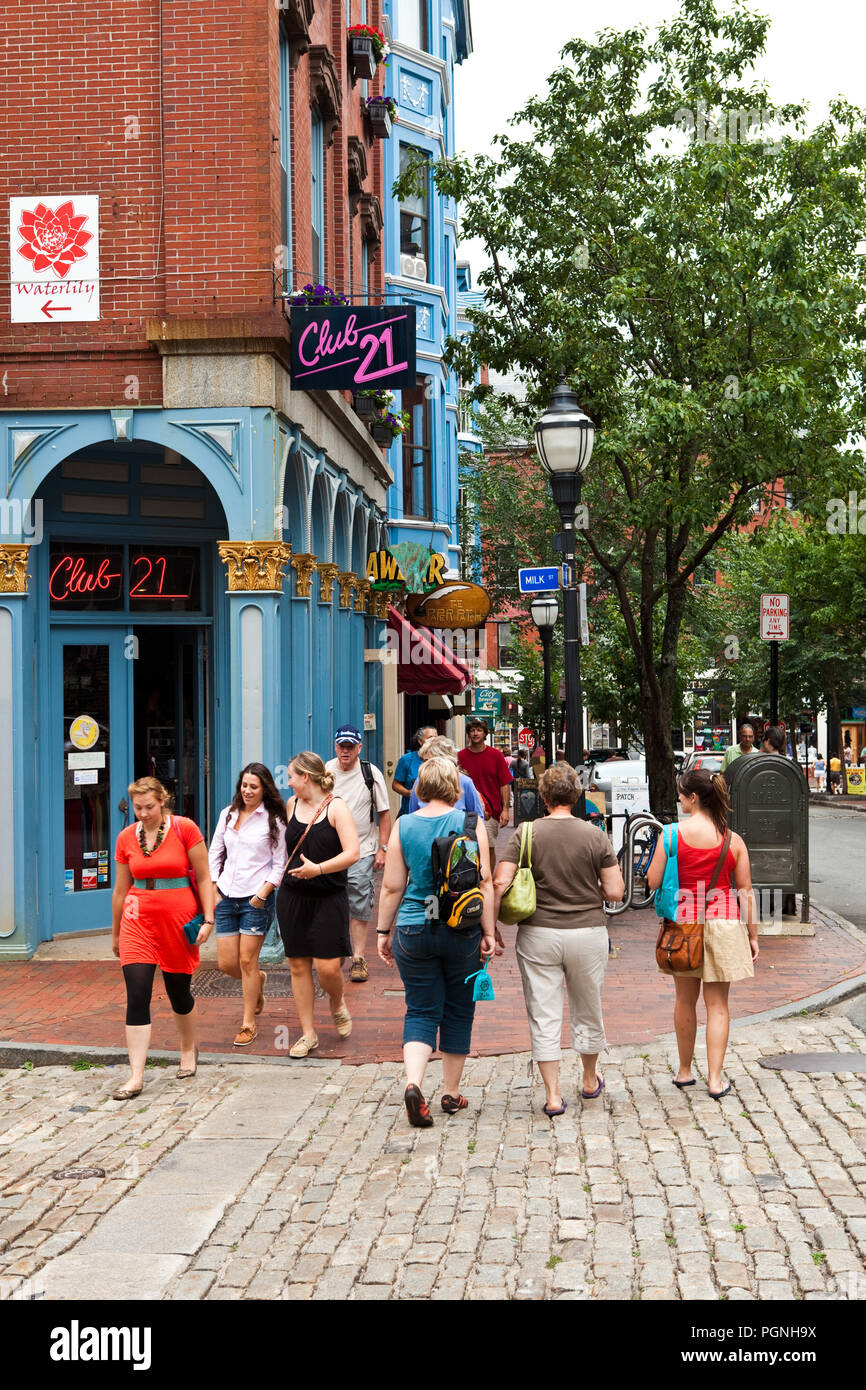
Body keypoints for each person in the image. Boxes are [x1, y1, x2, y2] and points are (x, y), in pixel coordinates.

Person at [492, 763, 624, 1116]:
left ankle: (552, 1095)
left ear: (544, 797)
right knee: (588, 1007)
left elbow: (499, 883)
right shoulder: (595, 835)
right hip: (587, 933)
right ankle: (589, 1079)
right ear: (577, 795)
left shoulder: (526, 833)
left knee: (544, 1014)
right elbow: (615, 891)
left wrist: (490, 929)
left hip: (538, 934)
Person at [377, 757, 496, 1127]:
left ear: (420, 787)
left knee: (420, 1009)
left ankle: (414, 1084)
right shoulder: (470, 824)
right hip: (461, 928)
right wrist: (489, 933)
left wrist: (383, 932)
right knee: (459, 1010)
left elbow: (393, 885)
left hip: (413, 928)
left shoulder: (403, 825)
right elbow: (485, 881)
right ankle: (450, 1092)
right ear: (455, 786)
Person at [647, 768, 759, 1100]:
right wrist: (753, 936)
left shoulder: (669, 835)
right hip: (724, 924)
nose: (679, 798)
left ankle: (684, 1071)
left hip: (684, 926)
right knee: (718, 1005)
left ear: (693, 798)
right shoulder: (732, 840)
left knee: (684, 1000)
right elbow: (746, 892)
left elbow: (652, 883)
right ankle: (714, 1079)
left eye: (681, 794)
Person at [111, 776, 215, 1100]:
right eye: (138, 808)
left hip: (177, 921)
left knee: (178, 992)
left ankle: (187, 1050)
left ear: (162, 801)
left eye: (149, 807)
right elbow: (120, 888)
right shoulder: (127, 837)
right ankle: (136, 1076)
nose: (143, 813)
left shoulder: (185, 829)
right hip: (137, 919)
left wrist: (209, 919)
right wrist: (115, 933)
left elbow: (203, 876)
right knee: (137, 992)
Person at [276, 752, 360, 1057]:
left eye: (291, 776)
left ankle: (337, 1001)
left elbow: (353, 852)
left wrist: (319, 869)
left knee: (327, 968)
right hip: (293, 896)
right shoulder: (291, 805)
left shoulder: (336, 807)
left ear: (306, 778)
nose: (288, 782)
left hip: (328, 894)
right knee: (298, 965)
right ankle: (308, 1033)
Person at [209, 763, 288, 1047]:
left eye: (254, 786)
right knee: (227, 963)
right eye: (244, 785)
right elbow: (215, 851)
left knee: (246, 961)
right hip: (227, 896)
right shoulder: (228, 815)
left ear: (265, 789)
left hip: (256, 898)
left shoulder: (274, 820)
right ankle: (259, 981)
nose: (247, 791)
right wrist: (214, 886)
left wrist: (263, 893)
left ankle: (248, 1022)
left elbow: (280, 862)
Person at [325, 724, 392, 984]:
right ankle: (334, 952)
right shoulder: (325, 772)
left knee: (358, 899)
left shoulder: (369, 773)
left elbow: (384, 813)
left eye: (350, 746)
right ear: (335, 746)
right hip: (329, 852)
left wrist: (382, 849)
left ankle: (359, 957)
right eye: (342, 746)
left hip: (362, 849)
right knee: (331, 900)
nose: (345, 751)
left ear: (359, 748)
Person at [457, 717, 512, 868]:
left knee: (487, 847)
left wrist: (505, 809)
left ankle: (487, 878)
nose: (475, 733)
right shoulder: (459, 757)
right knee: (465, 847)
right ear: (468, 733)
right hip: (464, 811)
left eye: (479, 730)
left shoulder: (495, 756)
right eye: (472, 730)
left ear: (485, 734)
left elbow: (504, 784)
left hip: (489, 811)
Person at [760, 726, 798, 917]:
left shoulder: (759, 763)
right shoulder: (788, 764)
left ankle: (765, 907)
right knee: (781, 863)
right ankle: (781, 906)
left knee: (764, 862)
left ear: (767, 741)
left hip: (762, 823)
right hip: (784, 824)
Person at [407, 735, 485, 815]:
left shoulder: (465, 782)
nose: (425, 765)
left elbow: (477, 817)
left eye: (429, 761)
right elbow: (413, 814)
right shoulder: (420, 781)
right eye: (424, 761)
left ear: (445, 759)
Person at [392, 726, 437, 816]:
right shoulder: (407, 759)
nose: (434, 741)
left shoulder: (441, 760)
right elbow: (395, 785)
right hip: (410, 812)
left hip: (435, 813)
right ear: (420, 741)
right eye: (430, 738)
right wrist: (409, 793)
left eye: (436, 738)